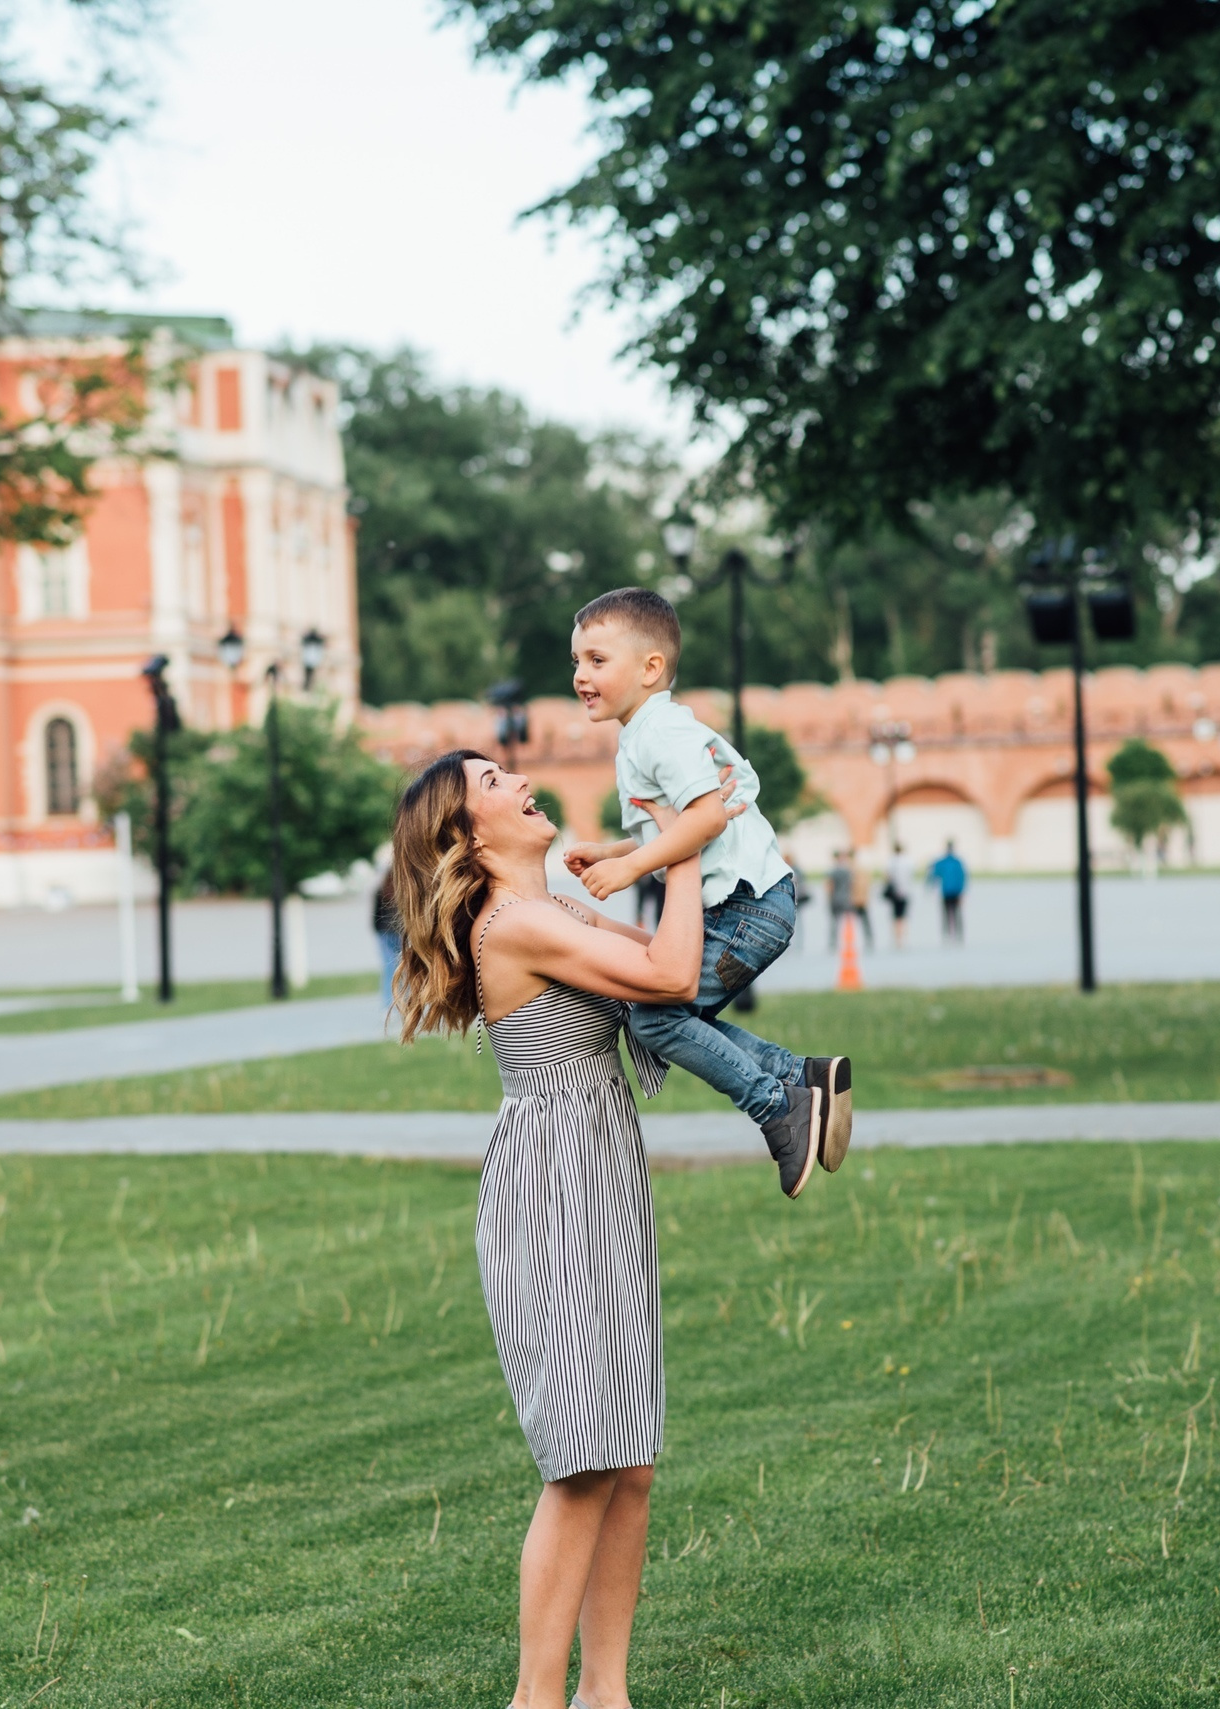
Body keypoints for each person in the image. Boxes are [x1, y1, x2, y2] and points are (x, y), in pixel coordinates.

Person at [387, 749, 716, 1709]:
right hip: (553, 1186)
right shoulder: (518, 923)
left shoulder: (555, 908)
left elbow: (667, 964)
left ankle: (605, 1695)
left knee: (632, 1461)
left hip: (603, 1167)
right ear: (469, 835)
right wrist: (683, 851)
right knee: (582, 1461)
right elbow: (671, 969)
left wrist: (653, 853)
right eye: (491, 782)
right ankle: (536, 1700)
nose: (517, 780)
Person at [558, 588, 852, 1188]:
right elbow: (679, 825)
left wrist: (630, 870)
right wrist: (614, 850)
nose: (580, 676)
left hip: (746, 908)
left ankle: (779, 1107)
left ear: (651, 668)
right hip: (750, 904)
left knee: (654, 1020)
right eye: (576, 663)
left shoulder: (658, 734)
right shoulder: (648, 732)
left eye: (596, 660)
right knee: (668, 1015)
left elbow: (707, 819)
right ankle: (802, 1075)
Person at [371, 867, 403, 1008]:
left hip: (385, 933)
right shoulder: (402, 891)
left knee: (389, 968)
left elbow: (376, 916)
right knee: (403, 969)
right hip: (400, 933)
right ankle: (402, 1002)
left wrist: (378, 931)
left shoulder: (380, 891)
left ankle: (387, 1003)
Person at [931, 839, 969, 943]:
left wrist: (931, 886)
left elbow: (934, 874)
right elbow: (963, 877)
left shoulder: (942, 862)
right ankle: (958, 934)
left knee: (946, 914)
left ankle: (947, 934)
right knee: (957, 913)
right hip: (956, 891)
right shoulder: (958, 862)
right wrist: (962, 891)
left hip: (946, 891)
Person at [882, 841, 914, 950]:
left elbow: (887, 876)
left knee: (895, 917)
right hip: (905, 891)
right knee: (903, 916)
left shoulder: (891, 861)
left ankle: (897, 938)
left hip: (894, 892)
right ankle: (903, 938)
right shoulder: (908, 861)